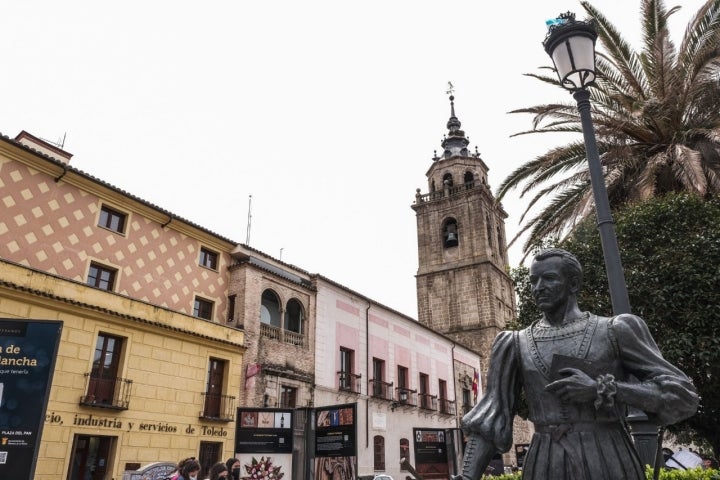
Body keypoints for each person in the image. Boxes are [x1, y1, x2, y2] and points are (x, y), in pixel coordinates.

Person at [453, 248, 699, 480]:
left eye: (548, 279)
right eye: (533, 281)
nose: (538, 288)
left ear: (574, 284)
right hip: (544, 462)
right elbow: (491, 417)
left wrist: (603, 389)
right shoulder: (513, 343)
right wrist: (467, 476)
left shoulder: (616, 330)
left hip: (608, 456)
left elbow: (682, 396)